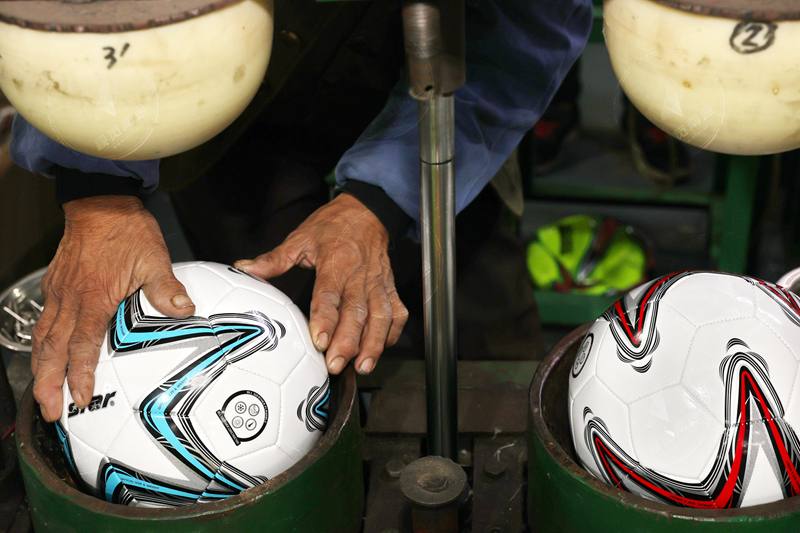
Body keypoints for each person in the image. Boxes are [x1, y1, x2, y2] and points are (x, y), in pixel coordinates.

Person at [10, 0, 592, 422]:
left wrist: (381, 199)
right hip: (221, 101)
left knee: (496, 374)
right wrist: (97, 189)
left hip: (441, 93)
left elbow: (526, 31)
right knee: (267, 353)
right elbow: (69, 17)